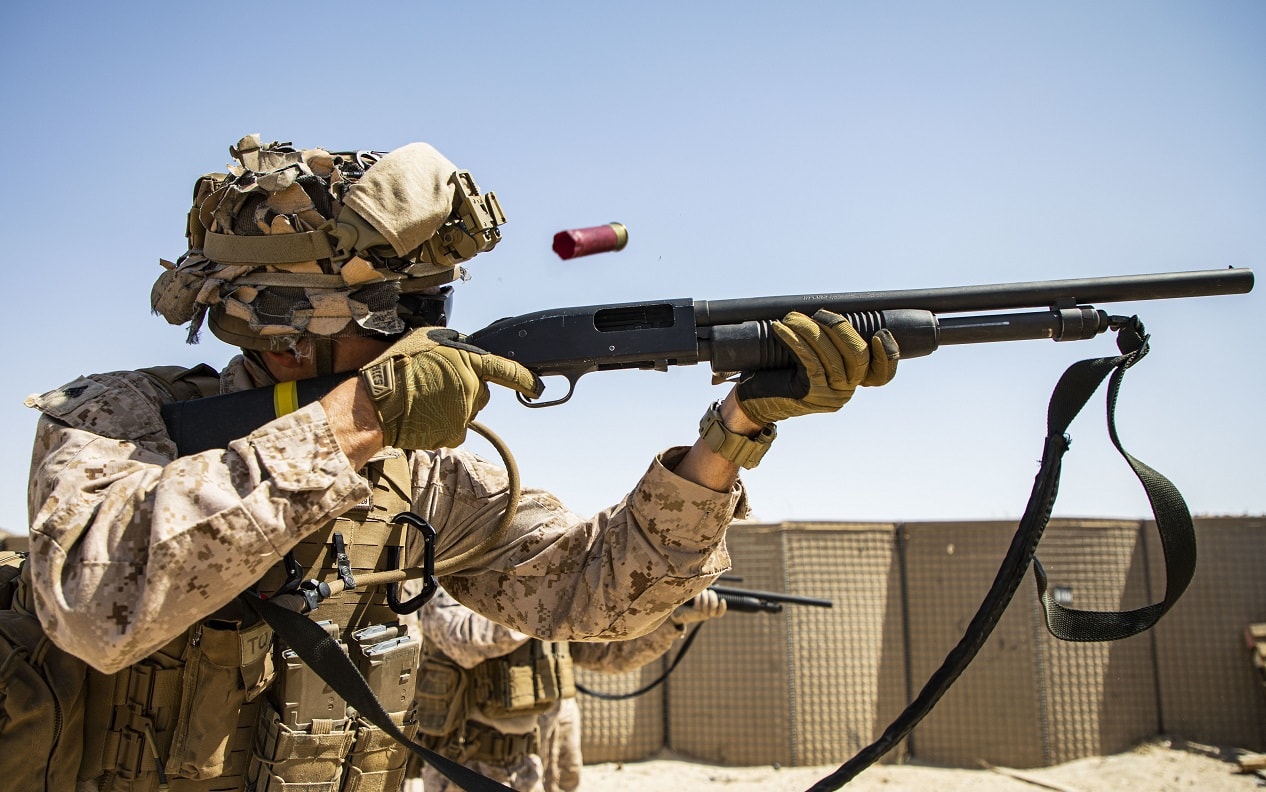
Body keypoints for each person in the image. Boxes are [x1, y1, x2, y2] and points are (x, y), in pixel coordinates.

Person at [12, 134, 898, 792]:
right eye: (391, 306)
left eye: (426, 303)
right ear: (282, 312)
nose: (420, 330)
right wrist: (357, 419)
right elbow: (94, 603)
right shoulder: (124, 419)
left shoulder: (424, 475)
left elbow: (593, 593)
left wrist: (727, 436)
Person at [402, 586, 727, 792]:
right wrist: (543, 605)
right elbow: (465, 640)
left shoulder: (542, 598)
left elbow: (610, 654)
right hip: (465, 765)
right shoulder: (456, 580)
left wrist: (671, 621)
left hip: (527, 763)